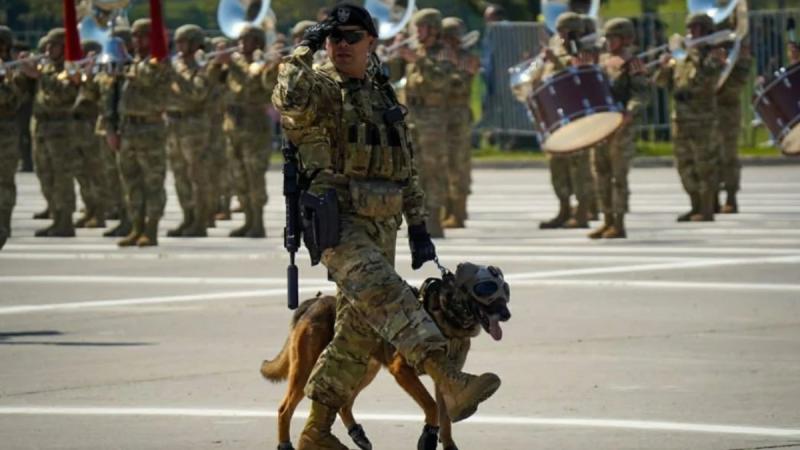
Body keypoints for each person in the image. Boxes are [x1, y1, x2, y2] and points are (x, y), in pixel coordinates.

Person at [272, 4, 500, 448]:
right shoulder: (318, 88)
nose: (340, 45)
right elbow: (287, 94)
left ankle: (316, 432)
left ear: (370, 42)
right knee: (390, 297)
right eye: (333, 38)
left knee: (356, 337)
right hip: (337, 223)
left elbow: (405, 166)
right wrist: (306, 45)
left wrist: (418, 226)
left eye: (350, 37)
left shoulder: (383, 95)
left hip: (384, 224)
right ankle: (448, 379)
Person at [208, 25, 277, 238]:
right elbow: (211, 82)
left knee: (254, 175)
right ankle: (247, 220)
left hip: (254, 127)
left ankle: (258, 222)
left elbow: (250, 83)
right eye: (239, 40)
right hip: (233, 126)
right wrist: (217, 63)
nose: (241, 44)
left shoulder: (261, 63)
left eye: (246, 40)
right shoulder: (233, 64)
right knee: (238, 176)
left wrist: (232, 65)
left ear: (257, 42)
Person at [654, 13, 725, 222]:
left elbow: (707, 81)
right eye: (690, 28)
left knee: (705, 164)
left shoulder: (713, 55)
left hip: (702, 119)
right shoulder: (681, 56)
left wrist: (693, 53)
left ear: (706, 31)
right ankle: (695, 204)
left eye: (696, 29)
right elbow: (660, 83)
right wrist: (664, 65)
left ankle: (707, 208)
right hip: (681, 119)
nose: (691, 32)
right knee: (684, 164)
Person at [530, 12, 594, 229]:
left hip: (578, 117)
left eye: (567, 31)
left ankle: (583, 212)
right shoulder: (555, 51)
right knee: (558, 166)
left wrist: (556, 61)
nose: (562, 36)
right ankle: (564, 209)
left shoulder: (585, 52)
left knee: (579, 168)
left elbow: (581, 78)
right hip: (557, 118)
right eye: (560, 32)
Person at [590, 18, 650, 239]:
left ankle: (619, 222)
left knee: (618, 177)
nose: (608, 41)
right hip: (601, 125)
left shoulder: (632, 63)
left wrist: (630, 111)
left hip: (621, 127)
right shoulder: (603, 61)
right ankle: (606, 220)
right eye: (607, 37)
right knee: (601, 173)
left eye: (613, 37)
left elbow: (641, 93)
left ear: (625, 39)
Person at [20, 28, 83, 237]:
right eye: (46, 46)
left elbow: (65, 93)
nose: (47, 50)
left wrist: (38, 75)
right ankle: (56, 217)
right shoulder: (47, 67)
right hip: (42, 127)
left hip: (61, 129)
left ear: (64, 48)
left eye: (53, 45)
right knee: (45, 176)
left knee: (61, 177)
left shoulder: (71, 69)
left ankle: (65, 221)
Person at [113, 18, 169, 247]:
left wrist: (124, 63)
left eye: (141, 36)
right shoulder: (131, 62)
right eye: (134, 36)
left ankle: (151, 229)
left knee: (152, 182)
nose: (136, 40)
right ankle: (136, 227)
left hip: (150, 128)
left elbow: (147, 77)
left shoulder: (159, 62)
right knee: (131, 182)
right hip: (128, 128)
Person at [400, 8, 452, 238]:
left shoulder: (444, 53)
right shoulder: (418, 53)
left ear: (433, 29)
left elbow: (443, 80)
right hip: (413, 119)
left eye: (421, 27)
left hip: (432, 120)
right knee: (415, 171)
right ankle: (418, 219)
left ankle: (435, 220)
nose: (417, 32)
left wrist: (418, 61)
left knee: (434, 170)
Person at [165, 24, 212, 237]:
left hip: (194, 127)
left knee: (196, 176)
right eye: (178, 42)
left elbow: (197, 93)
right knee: (179, 175)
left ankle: (200, 222)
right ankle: (188, 217)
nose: (179, 46)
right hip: (174, 124)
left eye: (183, 41)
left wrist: (175, 77)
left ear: (194, 44)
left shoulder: (202, 66)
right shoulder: (175, 65)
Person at [440, 17, 479, 229]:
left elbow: (460, 86)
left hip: (458, 119)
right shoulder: (441, 58)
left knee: (458, 167)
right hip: (441, 118)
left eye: (449, 38)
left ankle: (459, 212)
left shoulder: (466, 59)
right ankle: (447, 210)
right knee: (443, 166)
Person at [715, 36, 752, 214]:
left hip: (727, 113)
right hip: (704, 114)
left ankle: (731, 197)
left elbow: (737, 84)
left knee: (728, 157)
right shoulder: (704, 55)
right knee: (707, 157)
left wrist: (726, 65)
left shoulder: (737, 58)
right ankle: (710, 199)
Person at [0, 25, 27, 249]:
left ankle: (2, 227)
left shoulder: (15, 73)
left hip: (5, 136)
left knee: (3, 185)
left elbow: (12, 100)